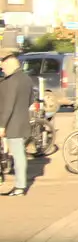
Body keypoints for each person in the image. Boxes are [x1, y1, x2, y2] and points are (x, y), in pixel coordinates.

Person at [0, 48, 36, 196]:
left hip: (12, 123)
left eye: (3, 67)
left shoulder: (11, 81)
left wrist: (2, 125)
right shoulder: (26, 79)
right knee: (19, 152)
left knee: (18, 154)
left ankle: (20, 187)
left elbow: (8, 105)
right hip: (22, 120)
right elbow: (31, 99)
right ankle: (20, 186)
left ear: (10, 65)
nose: (2, 69)